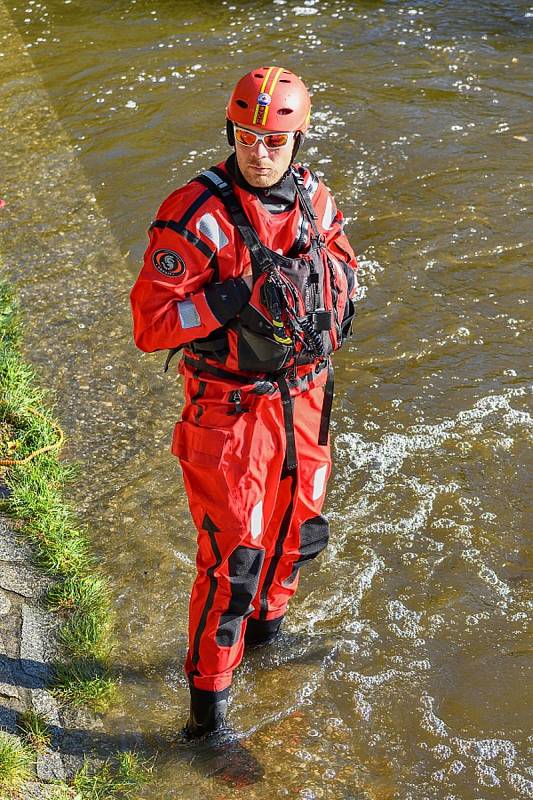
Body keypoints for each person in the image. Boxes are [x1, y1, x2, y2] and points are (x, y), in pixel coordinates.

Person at [130, 66, 358, 746]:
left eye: (274, 140)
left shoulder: (315, 199)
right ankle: (208, 716)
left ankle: (267, 642)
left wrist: (335, 304)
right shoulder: (195, 215)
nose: (259, 151)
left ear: (297, 140)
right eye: (247, 136)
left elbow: (342, 263)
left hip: (305, 399)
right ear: (230, 133)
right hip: (228, 414)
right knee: (234, 563)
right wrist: (221, 303)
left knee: (297, 537)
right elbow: (150, 328)